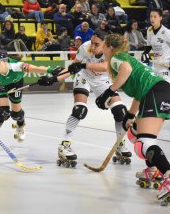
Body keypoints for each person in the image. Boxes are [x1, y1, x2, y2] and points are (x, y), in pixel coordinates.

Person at [97, 34, 170, 205]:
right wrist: (130, 116)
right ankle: (153, 170)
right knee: (133, 134)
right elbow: (139, 93)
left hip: (156, 93)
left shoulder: (117, 58)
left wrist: (109, 92)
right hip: (162, 92)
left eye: (103, 47)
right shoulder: (128, 58)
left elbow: (126, 71)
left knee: (144, 142)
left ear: (109, 48)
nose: (103, 51)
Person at [37, 30, 132, 166]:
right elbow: (73, 67)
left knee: (120, 111)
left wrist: (82, 65)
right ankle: (64, 145)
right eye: (91, 43)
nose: (92, 47)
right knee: (79, 110)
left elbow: (105, 67)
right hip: (84, 77)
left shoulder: (112, 52)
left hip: (103, 81)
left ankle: (120, 145)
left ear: (106, 46)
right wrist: (53, 79)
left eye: (96, 44)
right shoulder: (85, 47)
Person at [0, 48, 62, 156]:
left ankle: (20, 125)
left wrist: (51, 71)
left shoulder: (16, 65)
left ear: (5, 61)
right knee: (3, 112)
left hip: (16, 83)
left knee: (17, 114)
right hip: (1, 85)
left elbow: (33, 69)